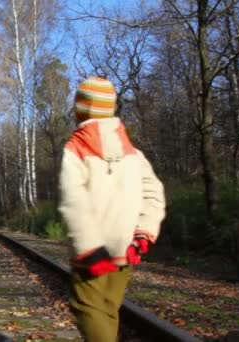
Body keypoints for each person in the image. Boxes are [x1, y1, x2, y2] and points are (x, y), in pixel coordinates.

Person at [58, 76, 166, 341]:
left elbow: (73, 202)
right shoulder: (132, 151)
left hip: (93, 250)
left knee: (87, 308)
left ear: (80, 109)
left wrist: (89, 248)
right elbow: (154, 193)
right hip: (127, 245)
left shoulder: (75, 149)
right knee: (108, 308)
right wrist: (143, 232)